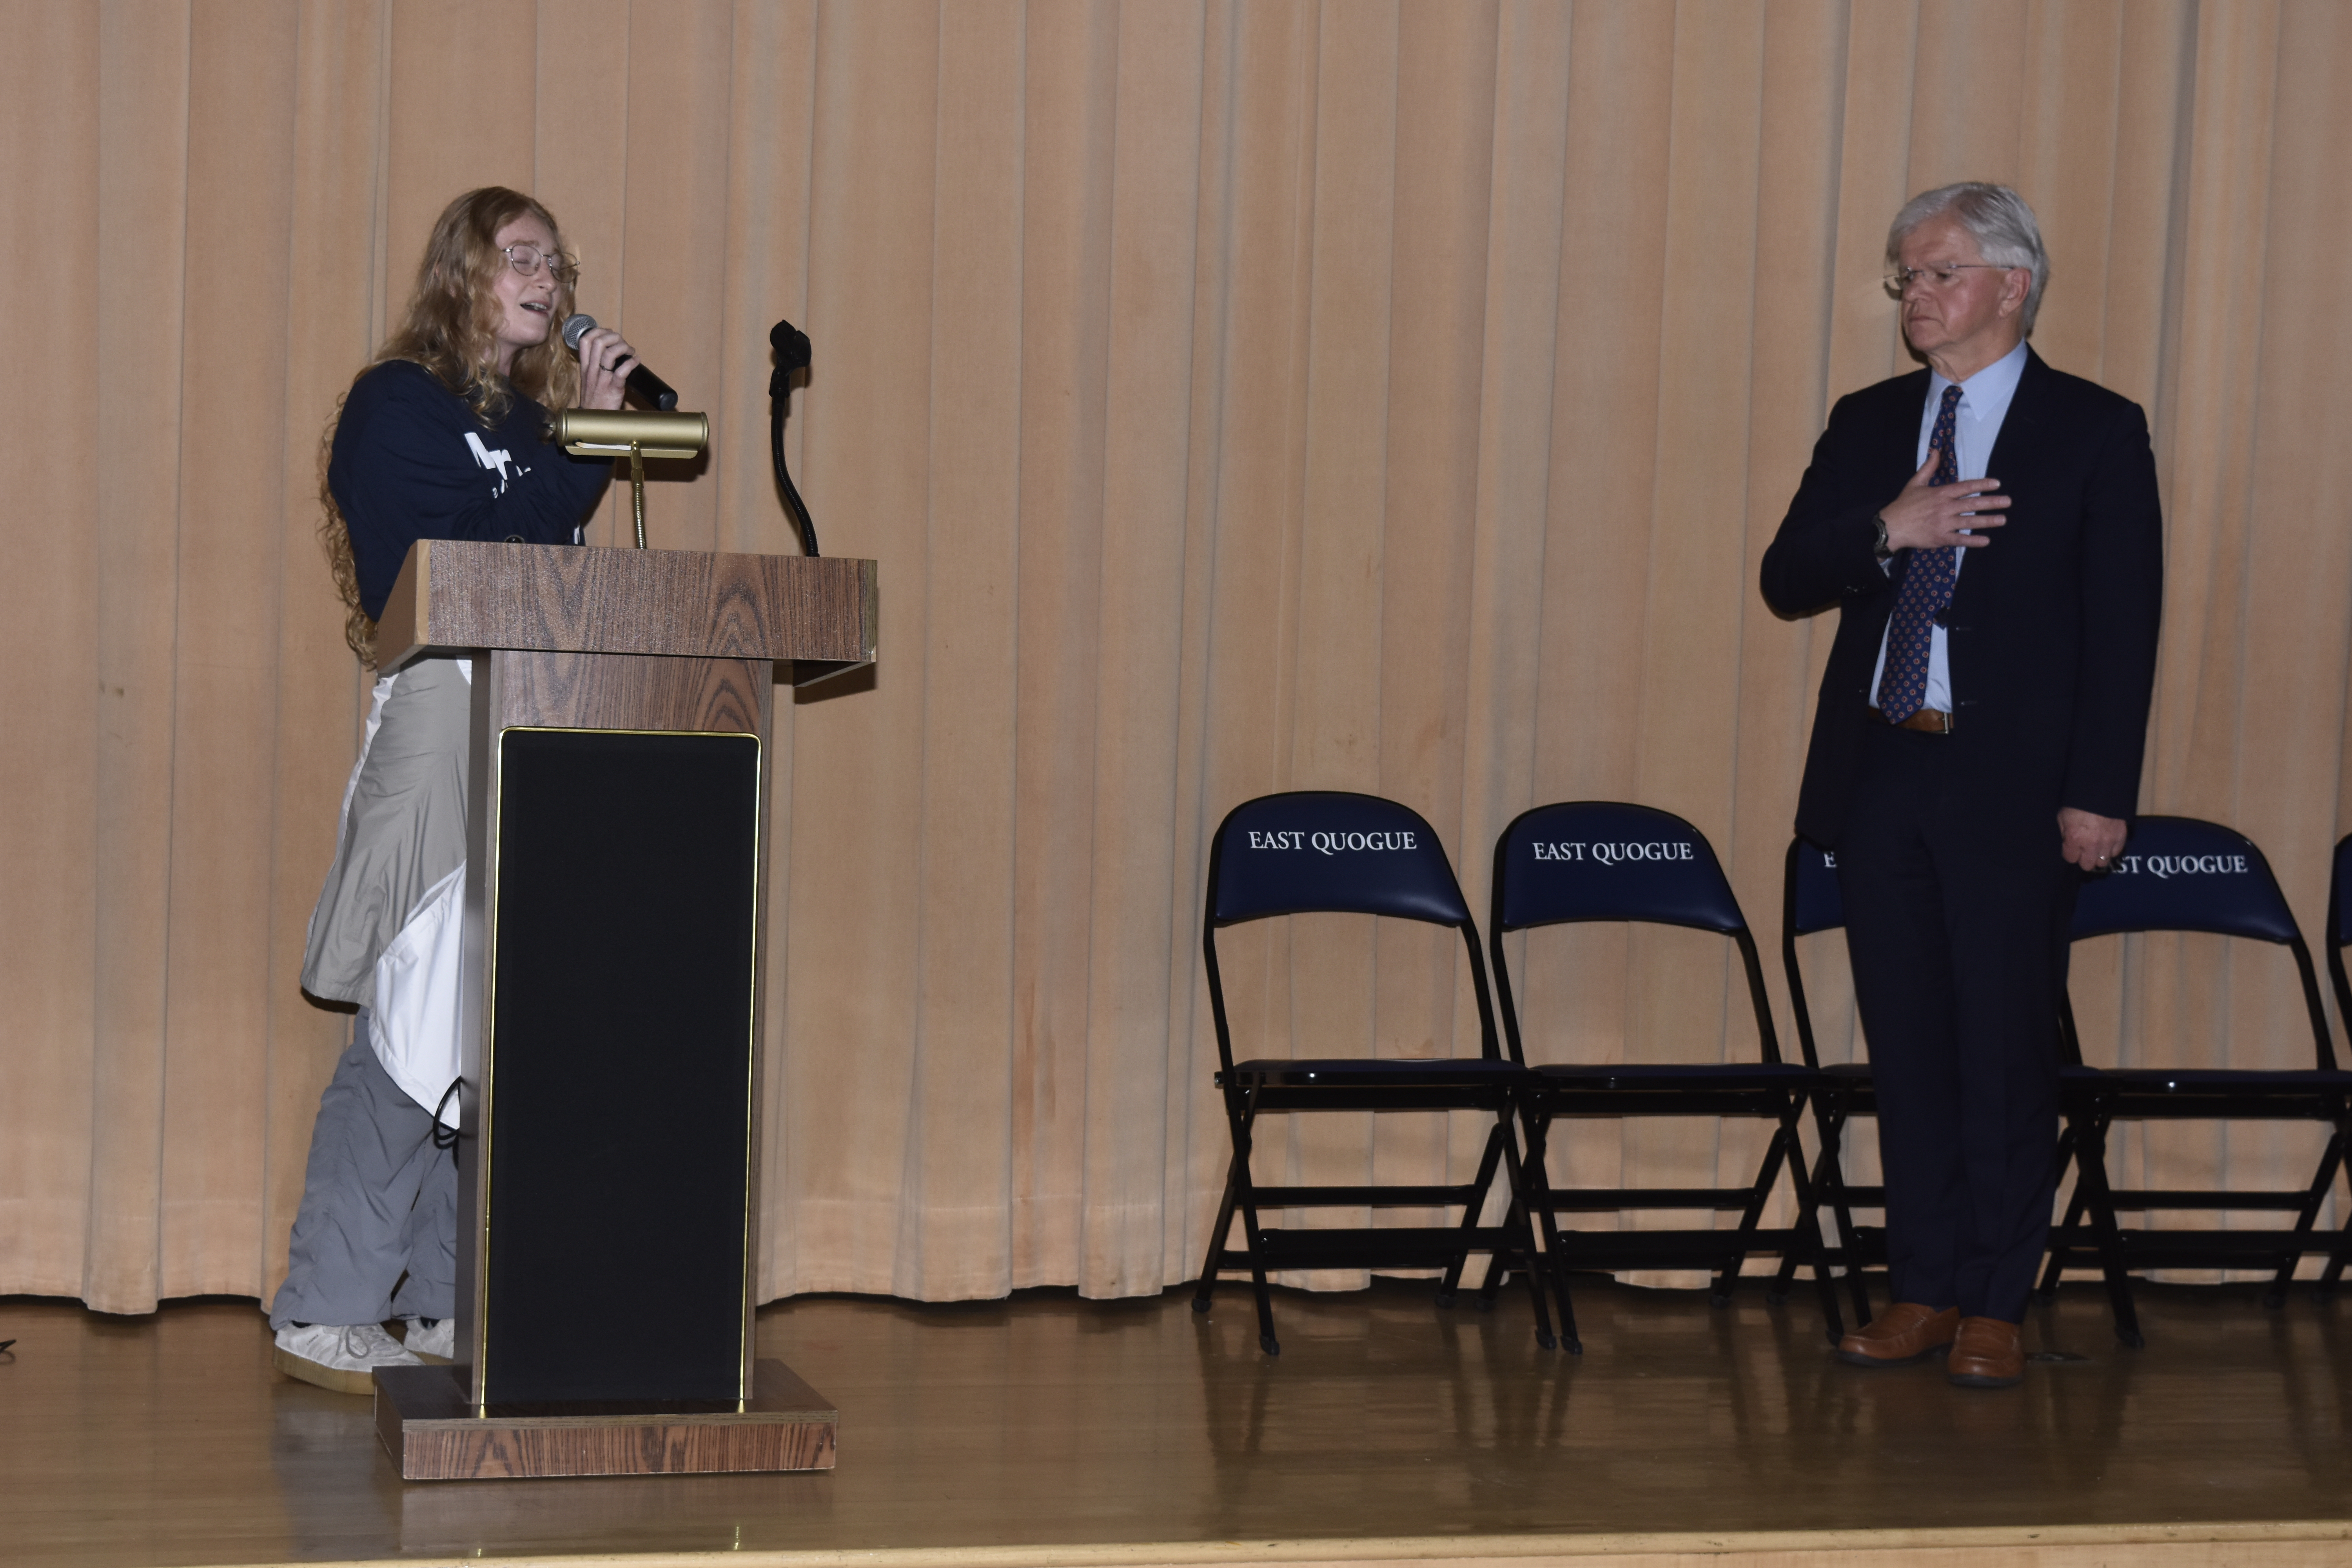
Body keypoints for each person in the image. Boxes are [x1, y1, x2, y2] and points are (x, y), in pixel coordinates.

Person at [1759, 183, 2163, 1389]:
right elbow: (1788, 576)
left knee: (2002, 1046)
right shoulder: (1871, 419)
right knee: (1911, 1047)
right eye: (1906, 278)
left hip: (2016, 789)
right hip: (1884, 770)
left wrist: (2099, 792)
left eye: (1936, 274)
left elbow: (2121, 625)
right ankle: (1922, 1289)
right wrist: (1889, 527)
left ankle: (1996, 1301)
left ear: (2011, 283)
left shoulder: (2093, 428)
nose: (1916, 297)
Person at [269, 187, 640, 1394]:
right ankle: (326, 1301)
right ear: (463, 274)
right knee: (418, 1011)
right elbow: (468, 568)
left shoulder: (536, 425)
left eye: (554, 259)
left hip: (536, 719)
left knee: (491, 1021)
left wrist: (579, 437)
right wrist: (578, 443)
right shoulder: (396, 407)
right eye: (519, 255)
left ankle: (440, 1298)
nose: (546, 275)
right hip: (440, 713)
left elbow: (552, 559)